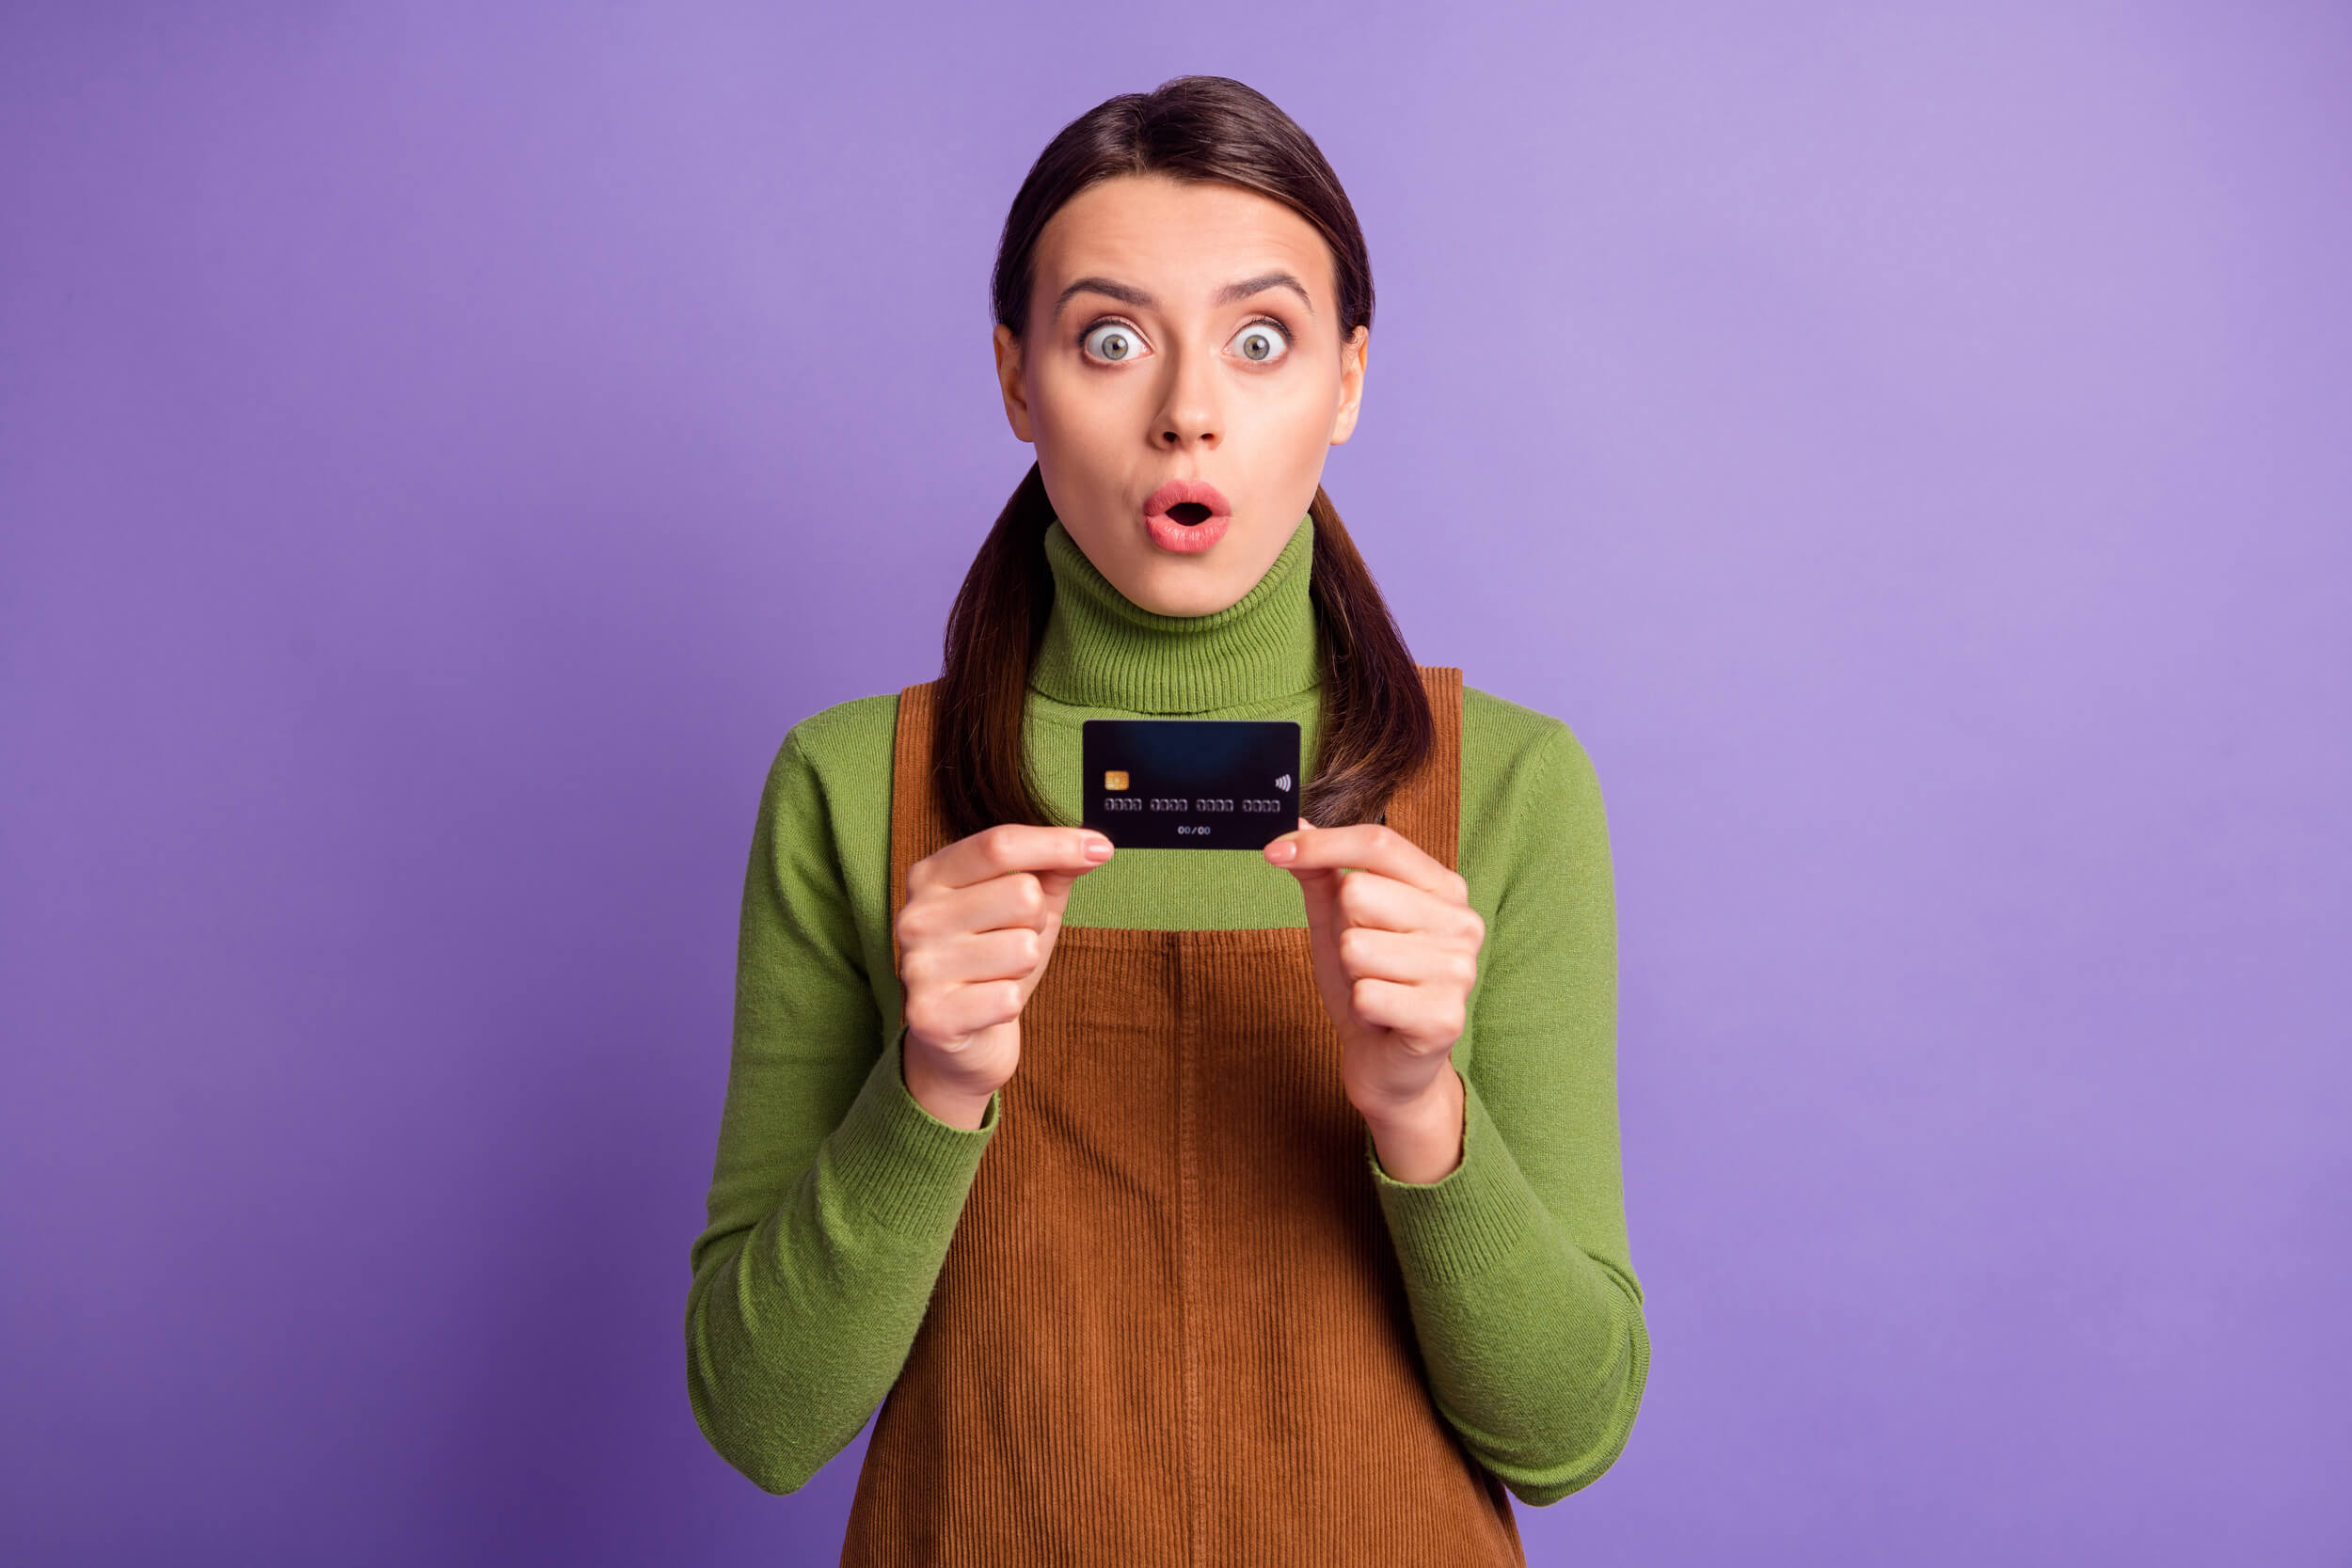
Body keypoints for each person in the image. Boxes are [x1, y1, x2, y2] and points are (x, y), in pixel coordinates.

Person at [685, 74, 1649, 1564]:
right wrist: (927, 1089)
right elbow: (759, 1420)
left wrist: (1420, 1111)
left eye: (1261, 342)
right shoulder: (850, 784)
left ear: (1346, 380)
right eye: (1111, 339)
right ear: (1017, 378)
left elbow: (1570, 1432)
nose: (1188, 412)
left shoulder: (1511, 788)